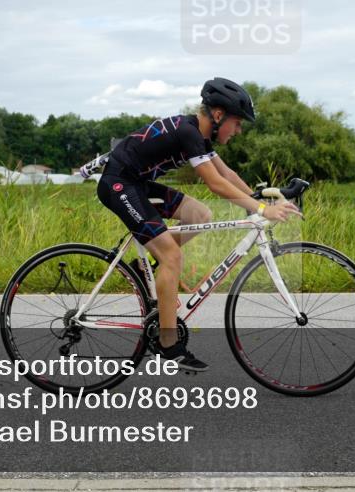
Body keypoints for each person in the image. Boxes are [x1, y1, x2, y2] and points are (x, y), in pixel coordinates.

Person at [93, 77, 301, 371]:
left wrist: (258, 195)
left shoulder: (198, 135)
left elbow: (225, 173)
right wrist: (262, 209)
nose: (238, 131)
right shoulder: (188, 132)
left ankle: (149, 270)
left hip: (136, 183)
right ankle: (169, 346)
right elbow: (215, 183)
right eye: (238, 123)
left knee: (199, 214)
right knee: (172, 256)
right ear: (218, 116)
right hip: (119, 185)